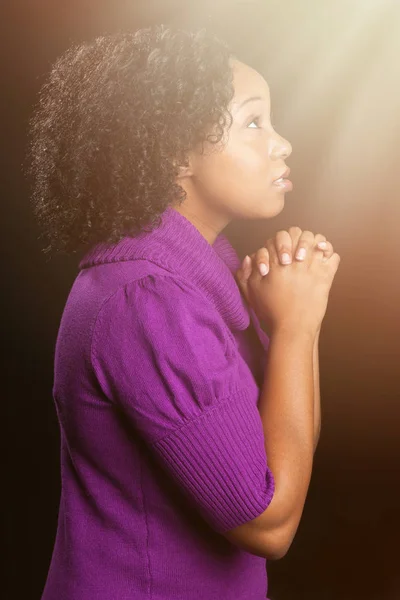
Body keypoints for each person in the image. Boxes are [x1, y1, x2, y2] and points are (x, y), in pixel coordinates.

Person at [27, 24, 340, 600]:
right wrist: (296, 328)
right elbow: (270, 523)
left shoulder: (186, 284)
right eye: (253, 122)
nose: (282, 143)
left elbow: (288, 446)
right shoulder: (146, 303)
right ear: (174, 155)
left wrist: (295, 322)